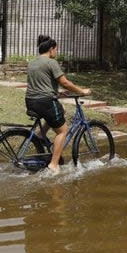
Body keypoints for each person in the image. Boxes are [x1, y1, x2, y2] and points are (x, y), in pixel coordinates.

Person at [25, 35, 91, 174]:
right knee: (63, 131)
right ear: (51, 49)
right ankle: (54, 164)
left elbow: (41, 84)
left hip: (31, 101)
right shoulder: (51, 62)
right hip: (45, 102)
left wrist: (58, 94)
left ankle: (41, 134)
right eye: (56, 49)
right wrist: (82, 91)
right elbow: (65, 82)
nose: (57, 52)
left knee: (61, 110)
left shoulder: (32, 62)